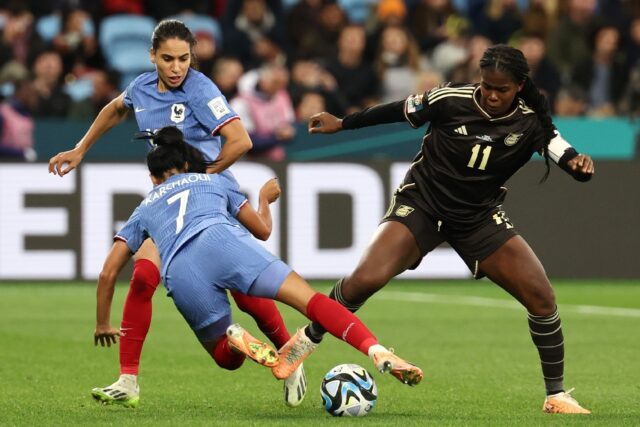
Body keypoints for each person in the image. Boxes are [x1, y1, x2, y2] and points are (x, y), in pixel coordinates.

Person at [305, 44, 594, 414]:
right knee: (365, 279)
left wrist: (580, 165)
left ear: (519, 87)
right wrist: (344, 123)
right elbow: (396, 111)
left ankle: (556, 395)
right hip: (422, 203)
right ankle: (305, 340)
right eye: (486, 85)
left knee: (541, 296)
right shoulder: (450, 98)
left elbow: (565, 154)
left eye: (501, 89)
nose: (490, 94)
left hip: (477, 216)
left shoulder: (531, 122)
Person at [47, 19, 304, 408]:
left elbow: (240, 140)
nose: (176, 67)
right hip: (170, 200)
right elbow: (116, 109)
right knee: (143, 277)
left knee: (243, 288)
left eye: (184, 58)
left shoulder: (201, 90)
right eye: (167, 59)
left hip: (210, 196)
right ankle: (128, 380)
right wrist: (81, 148)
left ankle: (289, 354)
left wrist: (204, 176)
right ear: (152, 57)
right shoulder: (141, 88)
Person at [93, 127, 423, 405]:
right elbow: (262, 230)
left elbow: (108, 273)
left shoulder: (144, 207)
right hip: (224, 242)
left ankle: (238, 342)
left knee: (224, 357)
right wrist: (265, 199)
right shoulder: (214, 181)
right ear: (186, 162)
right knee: (313, 302)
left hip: (181, 268)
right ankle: (376, 349)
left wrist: (103, 323)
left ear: (152, 178)